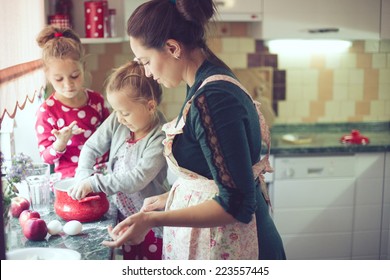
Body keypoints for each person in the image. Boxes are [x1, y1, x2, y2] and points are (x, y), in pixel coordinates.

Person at [103, 0, 286, 260]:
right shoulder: (207, 80)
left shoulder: (213, 99)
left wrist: (152, 221)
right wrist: (171, 197)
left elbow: (236, 205)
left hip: (244, 250)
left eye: (145, 61)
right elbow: (214, 178)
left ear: (172, 48)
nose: (147, 72)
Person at [69, 61, 169, 260]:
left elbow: (136, 180)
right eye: (116, 111)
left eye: (125, 113)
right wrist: (82, 176)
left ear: (150, 106)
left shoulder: (160, 137)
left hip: (150, 221)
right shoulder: (118, 120)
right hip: (123, 216)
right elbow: (90, 147)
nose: (120, 118)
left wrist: (94, 183)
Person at [35, 26, 110, 179]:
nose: (68, 84)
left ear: (84, 68)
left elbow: (111, 134)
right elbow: (45, 157)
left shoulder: (97, 100)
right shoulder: (47, 111)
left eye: (74, 76)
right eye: (59, 79)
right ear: (48, 77)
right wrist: (60, 142)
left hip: (102, 174)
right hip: (70, 179)